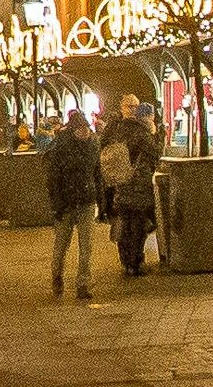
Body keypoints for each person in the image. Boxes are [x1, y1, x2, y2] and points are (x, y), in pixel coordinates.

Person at [44, 110, 101, 302]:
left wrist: (100, 200)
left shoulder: (93, 144)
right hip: (66, 203)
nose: (84, 133)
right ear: (73, 130)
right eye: (81, 130)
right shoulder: (61, 145)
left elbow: (97, 173)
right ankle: (57, 277)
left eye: (86, 129)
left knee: (87, 246)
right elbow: (53, 178)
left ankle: (83, 284)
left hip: (86, 200)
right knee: (61, 245)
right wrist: (57, 204)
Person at [103, 104, 163, 278]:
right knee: (138, 225)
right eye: (151, 117)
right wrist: (159, 136)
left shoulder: (120, 131)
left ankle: (125, 260)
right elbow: (155, 153)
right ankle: (134, 263)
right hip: (138, 185)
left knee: (125, 223)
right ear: (147, 117)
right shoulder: (142, 133)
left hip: (121, 185)